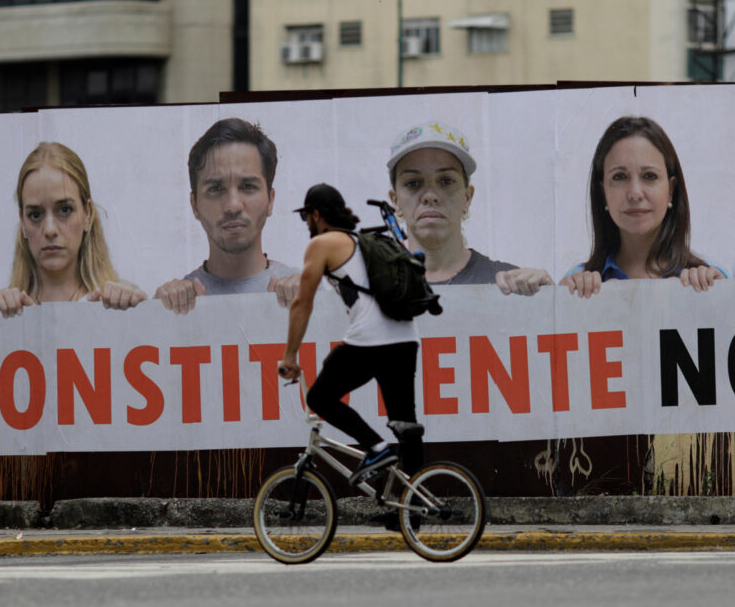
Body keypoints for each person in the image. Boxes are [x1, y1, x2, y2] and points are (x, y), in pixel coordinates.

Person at [278, 183, 424, 489]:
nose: (306, 224)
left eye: (306, 217)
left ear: (316, 215)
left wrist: (290, 355)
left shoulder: (323, 244)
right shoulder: (361, 242)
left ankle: (375, 448)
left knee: (319, 396)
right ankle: (412, 509)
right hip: (405, 339)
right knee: (406, 426)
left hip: (371, 340)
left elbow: (302, 302)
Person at [560, 116, 725, 298]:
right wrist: (559, 302)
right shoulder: (576, 283)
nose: (635, 193)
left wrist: (721, 295)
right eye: (620, 177)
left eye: (649, 176)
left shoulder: (710, 279)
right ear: (603, 192)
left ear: (670, 190)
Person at [386, 121, 554, 295]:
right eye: (413, 183)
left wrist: (550, 299)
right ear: (395, 201)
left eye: (446, 181)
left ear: (467, 197)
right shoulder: (368, 289)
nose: (430, 196)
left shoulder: (509, 287)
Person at [0, 142, 146, 316]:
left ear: (87, 214)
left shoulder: (122, 306)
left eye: (65, 210)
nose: (50, 230)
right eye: (35, 215)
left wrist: (140, 316)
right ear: (22, 221)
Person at [155, 118, 299, 314]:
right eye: (215, 188)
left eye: (248, 186)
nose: (233, 205)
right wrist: (155, 314)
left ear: (270, 200)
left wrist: (318, 309)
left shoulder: (312, 294)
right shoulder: (170, 305)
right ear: (194, 205)